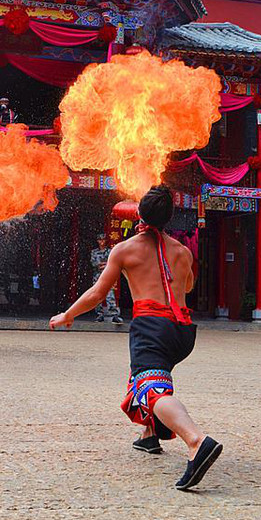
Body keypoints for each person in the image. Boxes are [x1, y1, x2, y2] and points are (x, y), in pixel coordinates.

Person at [50, 185, 222, 491]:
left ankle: (196, 441)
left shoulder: (125, 249)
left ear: (139, 214)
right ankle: (149, 435)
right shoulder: (183, 252)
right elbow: (188, 285)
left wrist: (68, 314)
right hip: (182, 331)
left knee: (151, 390)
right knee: (148, 376)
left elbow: (98, 293)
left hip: (152, 327)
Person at [91, 233, 123, 324]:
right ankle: (99, 314)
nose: (101, 242)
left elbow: (112, 263)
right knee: (97, 295)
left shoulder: (110, 251)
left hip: (108, 275)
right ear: (97, 241)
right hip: (97, 276)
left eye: (103, 239)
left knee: (110, 295)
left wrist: (104, 265)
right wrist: (104, 265)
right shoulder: (94, 252)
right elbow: (94, 264)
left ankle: (114, 315)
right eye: (100, 240)